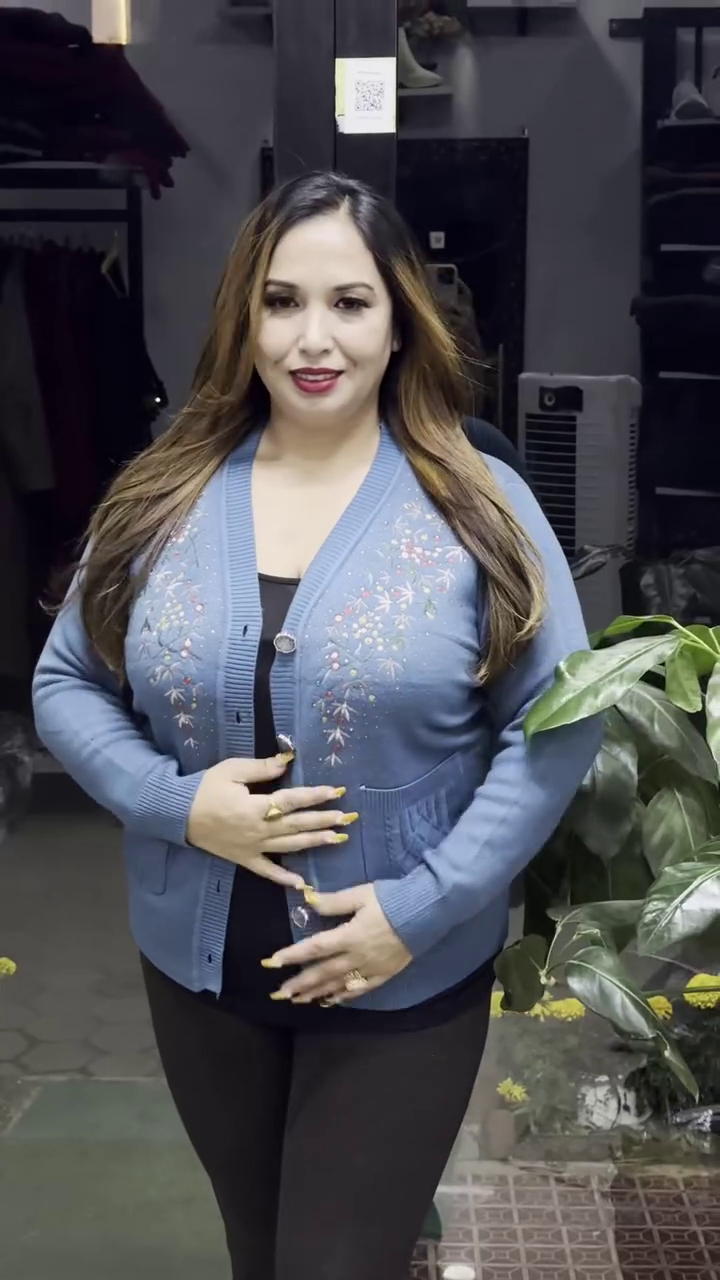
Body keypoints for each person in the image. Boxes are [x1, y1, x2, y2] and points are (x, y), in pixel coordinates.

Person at [32, 171, 601, 1280]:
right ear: (243, 318)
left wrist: (419, 909)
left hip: (401, 973)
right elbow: (66, 681)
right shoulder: (165, 492)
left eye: (350, 302)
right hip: (202, 977)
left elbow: (556, 723)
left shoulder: (479, 500)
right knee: (260, 1252)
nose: (313, 338)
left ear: (400, 321)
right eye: (282, 301)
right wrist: (177, 803)